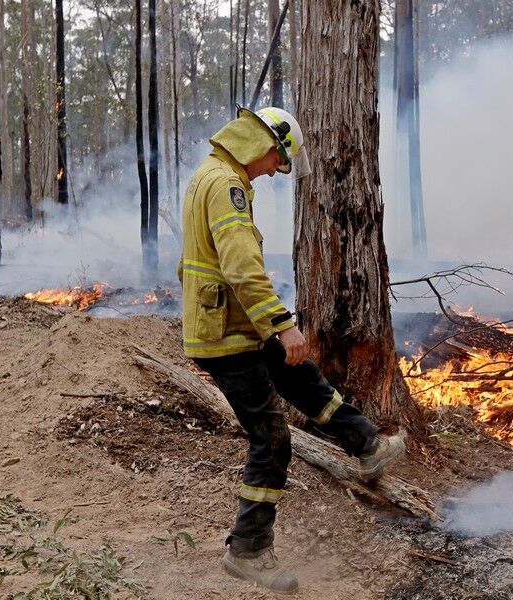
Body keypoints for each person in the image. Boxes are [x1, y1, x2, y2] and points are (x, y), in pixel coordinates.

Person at [178, 106, 405, 594]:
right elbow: (240, 267)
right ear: (264, 146)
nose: (273, 173)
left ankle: (366, 445)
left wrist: (275, 332)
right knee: (273, 439)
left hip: (237, 325)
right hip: (226, 335)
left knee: (300, 376)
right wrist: (283, 325)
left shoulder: (214, 174)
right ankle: (249, 550)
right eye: (276, 164)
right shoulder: (227, 186)